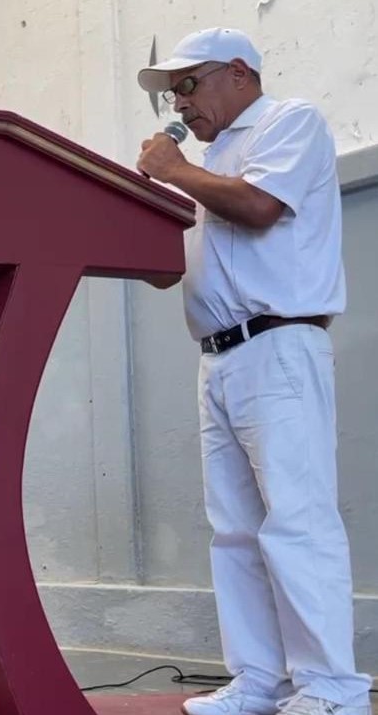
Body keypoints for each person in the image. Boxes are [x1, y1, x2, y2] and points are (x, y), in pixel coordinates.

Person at [136, 28, 370, 715]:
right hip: (216, 358)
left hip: (278, 345)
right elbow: (168, 272)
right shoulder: (205, 165)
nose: (180, 103)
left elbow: (261, 207)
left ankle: (330, 688)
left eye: (187, 84)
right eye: (172, 94)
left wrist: (173, 169)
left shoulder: (287, 123)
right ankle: (259, 679)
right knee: (234, 529)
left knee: (296, 520)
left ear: (238, 72)